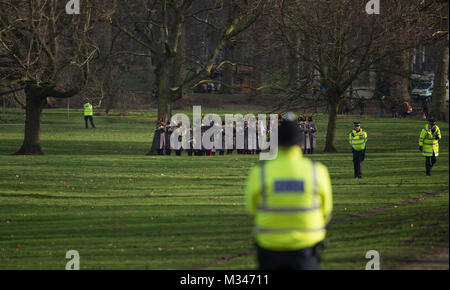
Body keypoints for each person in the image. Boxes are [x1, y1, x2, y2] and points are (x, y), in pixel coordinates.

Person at [245, 113, 333, 270]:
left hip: (269, 245)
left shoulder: (260, 173)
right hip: (307, 246)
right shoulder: (317, 171)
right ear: (300, 144)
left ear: (277, 143)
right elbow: (326, 211)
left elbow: (252, 210)